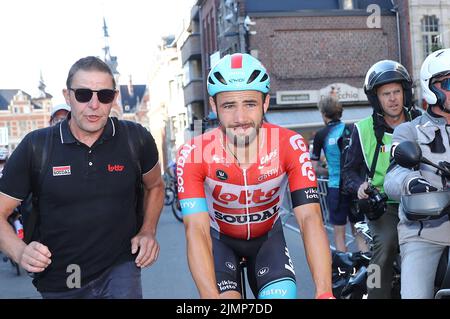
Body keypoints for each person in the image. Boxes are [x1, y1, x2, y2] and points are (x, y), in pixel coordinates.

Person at [0, 56, 164, 299]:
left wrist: (148, 231)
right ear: (67, 96)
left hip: (120, 267)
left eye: (104, 95)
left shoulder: (135, 139)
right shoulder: (36, 146)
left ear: (115, 98)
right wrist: (20, 252)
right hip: (62, 277)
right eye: (84, 94)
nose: (94, 104)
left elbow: (155, 186)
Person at [177, 53, 333, 299]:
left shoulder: (289, 144)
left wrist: (324, 292)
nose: (240, 118)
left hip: (267, 241)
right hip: (219, 243)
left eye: (249, 103)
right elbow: (196, 230)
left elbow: (310, 219)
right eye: (229, 105)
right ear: (213, 106)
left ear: (265, 103)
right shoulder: (195, 152)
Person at [342, 59, 419, 298]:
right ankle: (375, 293)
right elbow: (348, 173)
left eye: (397, 91)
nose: (393, 99)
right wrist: (359, 187)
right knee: (384, 248)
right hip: (385, 207)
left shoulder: (422, 122)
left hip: (425, 201)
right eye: (386, 94)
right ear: (377, 98)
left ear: (404, 93)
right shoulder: (362, 129)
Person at [384, 48, 450, 299]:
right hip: (425, 233)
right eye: (449, 83)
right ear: (431, 88)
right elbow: (393, 175)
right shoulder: (408, 131)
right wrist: (412, 182)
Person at [311, 96, 368, 253]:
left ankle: (346, 271)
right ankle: (366, 266)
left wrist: (328, 169)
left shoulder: (321, 134)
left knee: (339, 234)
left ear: (324, 114)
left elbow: (314, 167)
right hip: (355, 186)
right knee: (359, 230)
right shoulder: (352, 128)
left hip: (336, 187)